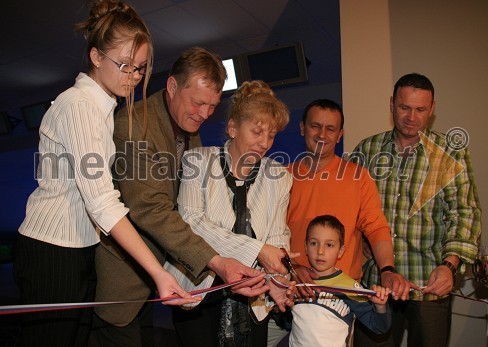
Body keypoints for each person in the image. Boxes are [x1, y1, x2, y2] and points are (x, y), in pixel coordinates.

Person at [13, 1, 200, 346]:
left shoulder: (104, 109)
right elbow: (102, 202)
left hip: (80, 247)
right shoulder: (80, 105)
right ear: (96, 57)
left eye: (141, 68)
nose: (134, 77)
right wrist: (157, 272)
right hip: (52, 248)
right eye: (125, 66)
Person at [90, 47, 267, 346]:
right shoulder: (134, 125)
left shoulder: (189, 128)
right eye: (198, 102)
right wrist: (217, 261)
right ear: (172, 86)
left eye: (212, 105)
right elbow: (151, 209)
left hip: (158, 279)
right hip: (125, 279)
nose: (205, 114)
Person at [268, 99, 416, 347]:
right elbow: (268, 235)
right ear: (302, 128)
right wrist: (293, 268)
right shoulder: (282, 176)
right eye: (315, 126)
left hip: (337, 302)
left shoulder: (358, 177)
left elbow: (377, 227)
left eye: (331, 129)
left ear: (340, 135)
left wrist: (387, 270)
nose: (322, 135)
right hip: (286, 290)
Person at [351, 73, 482, 346]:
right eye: (404, 107)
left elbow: (465, 214)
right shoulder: (367, 149)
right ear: (391, 104)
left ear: (432, 109)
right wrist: (358, 240)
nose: (412, 117)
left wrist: (450, 266)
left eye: (420, 109)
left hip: (429, 284)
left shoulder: (451, 153)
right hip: (377, 285)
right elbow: (350, 208)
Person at [165, 80, 294, 346]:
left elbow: (278, 236)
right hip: (199, 292)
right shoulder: (197, 161)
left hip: (253, 300)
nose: (264, 143)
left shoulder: (280, 177)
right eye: (257, 132)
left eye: (271, 135)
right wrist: (258, 249)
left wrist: (280, 281)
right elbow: (191, 222)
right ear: (233, 127)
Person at [289, 214, 391, 347]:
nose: (320, 251)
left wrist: (380, 306)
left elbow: (379, 327)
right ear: (306, 247)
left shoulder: (350, 287)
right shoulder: (298, 282)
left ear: (341, 251)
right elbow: (291, 322)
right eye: (314, 243)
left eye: (329, 245)